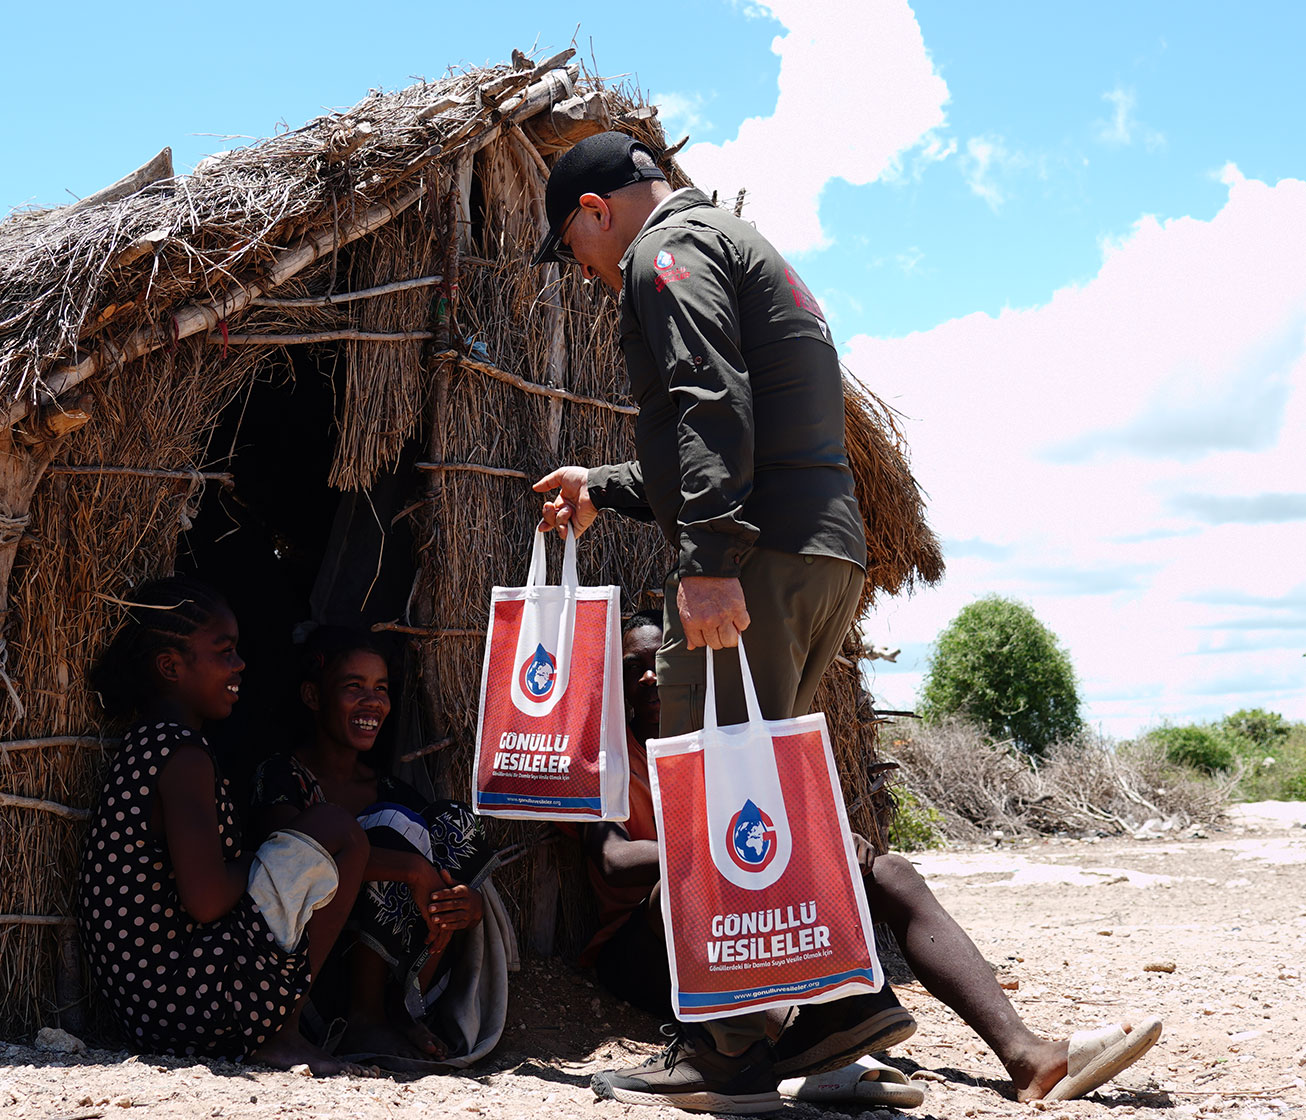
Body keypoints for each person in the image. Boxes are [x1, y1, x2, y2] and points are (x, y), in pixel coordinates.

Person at [532, 128, 882, 1111]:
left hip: (756, 560)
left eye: (571, 245)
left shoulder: (662, 253)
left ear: (595, 211)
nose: (584, 269)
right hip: (821, 549)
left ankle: (723, 1052)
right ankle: (830, 1026)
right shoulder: (736, 243)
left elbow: (704, 403)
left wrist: (708, 562)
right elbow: (742, 418)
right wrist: (604, 484)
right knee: (756, 783)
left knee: (701, 787)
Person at [580, 611, 1163, 1108]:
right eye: (635, 669)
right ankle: (821, 1053)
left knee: (890, 872)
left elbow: (776, 831)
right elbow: (611, 860)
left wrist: (829, 845)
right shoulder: (604, 756)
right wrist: (721, 854)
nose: (653, 676)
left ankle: (1027, 1056)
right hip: (643, 946)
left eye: (664, 663)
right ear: (617, 682)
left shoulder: (723, 748)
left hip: (743, 935)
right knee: (709, 883)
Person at [76, 576, 369, 1074]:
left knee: (323, 835)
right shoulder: (181, 756)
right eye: (224, 651)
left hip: (150, 1007)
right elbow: (208, 899)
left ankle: (276, 1029)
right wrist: (267, 859)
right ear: (171, 667)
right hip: (183, 1004)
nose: (240, 664)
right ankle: (281, 1032)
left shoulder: (150, 746)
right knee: (338, 831)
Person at [250, 627, 495, 1063]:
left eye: (381, 688)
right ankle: (363, 1021)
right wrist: (410, 870)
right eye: (353, 687)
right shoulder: (280, 777)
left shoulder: (388, 788)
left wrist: (466, 905)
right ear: (312, 697)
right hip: (306, 977)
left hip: (403, 976)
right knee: (386, 830)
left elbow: (437, 867)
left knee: (454, 822)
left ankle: (397, 1012)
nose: (373, 702)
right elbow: (284, 860)